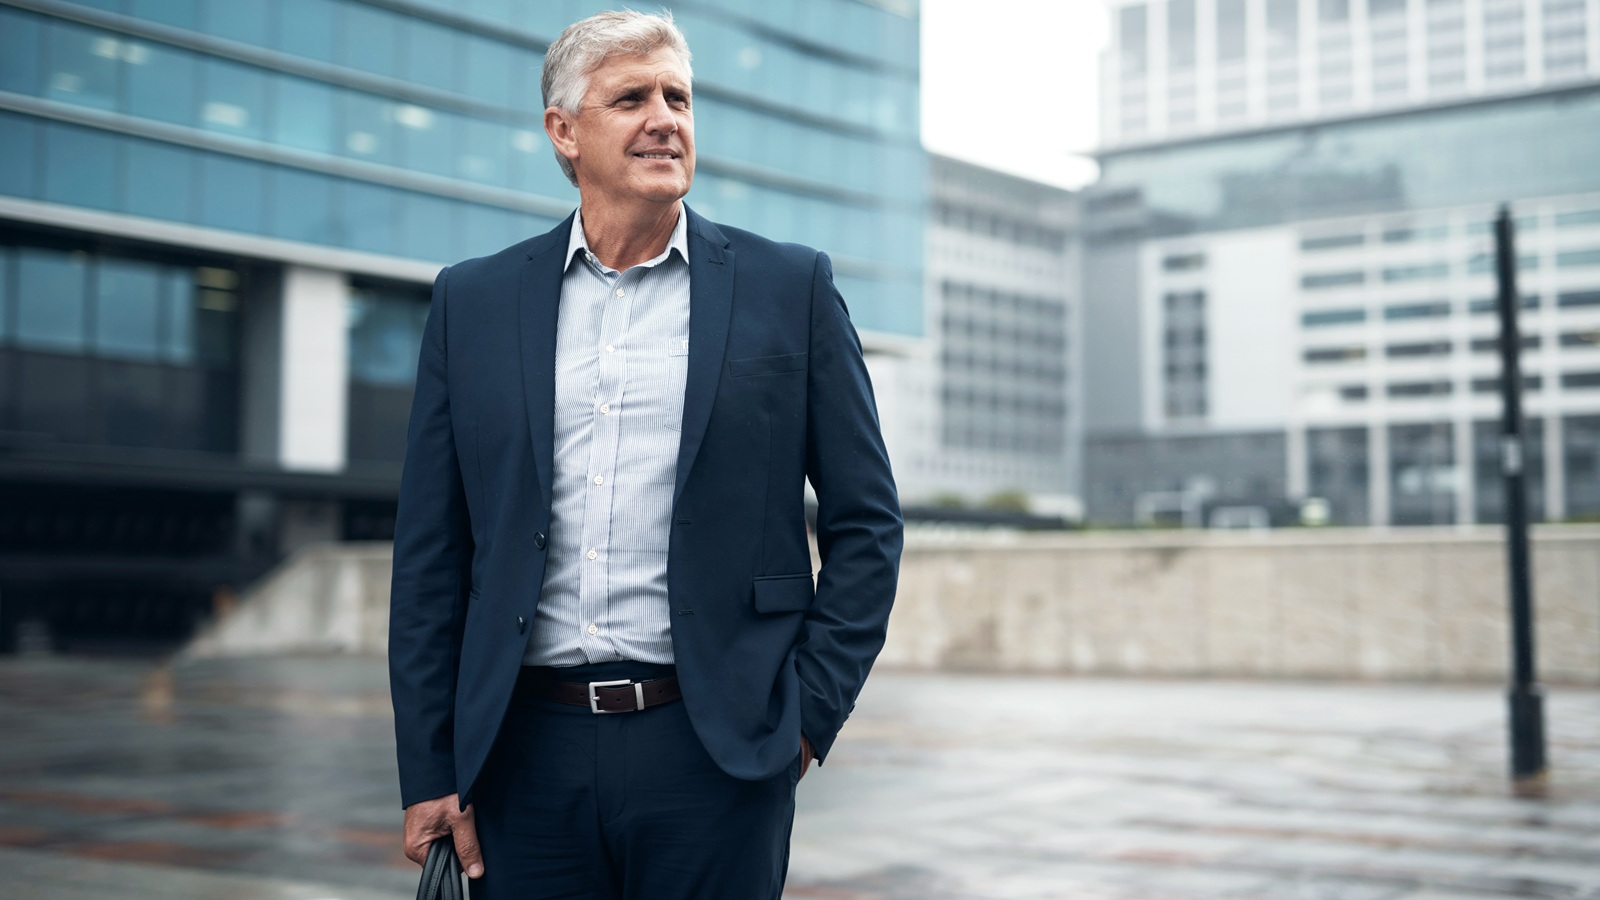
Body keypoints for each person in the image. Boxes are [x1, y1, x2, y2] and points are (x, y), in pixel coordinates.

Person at [386, 10, 902, 899]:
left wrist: (804, 721)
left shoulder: (791, 289)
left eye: (678, 98)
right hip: (520, 760)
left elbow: (868, 525)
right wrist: (432, 766)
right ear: (564, 131)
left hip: (715, 755)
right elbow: (432, 552)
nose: (665, 118)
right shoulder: (472, 302)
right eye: (632, 98)